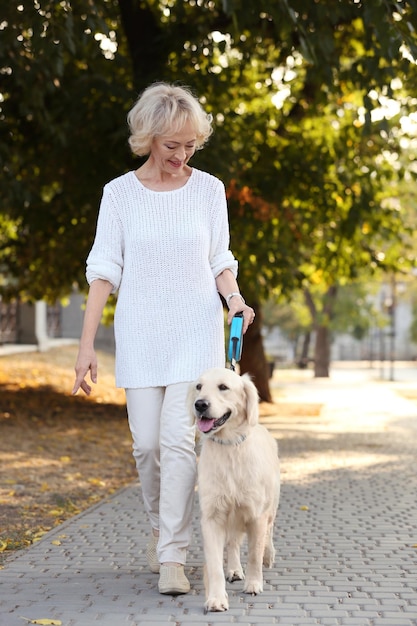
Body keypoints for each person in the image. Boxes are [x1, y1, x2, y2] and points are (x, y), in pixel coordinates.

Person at [72, 82, 255, 595]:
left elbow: (220, 259)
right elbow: (104, 272)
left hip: (196, 333)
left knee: (179, 443)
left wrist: (234, 299)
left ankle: (172, 555)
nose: (182, 155)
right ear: (148, 137)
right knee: (147, 447)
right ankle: (162, 526)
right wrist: (86, 347)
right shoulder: (119, 194)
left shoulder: (209, 190)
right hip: (140, 333)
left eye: (190, 145)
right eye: (172, 145)